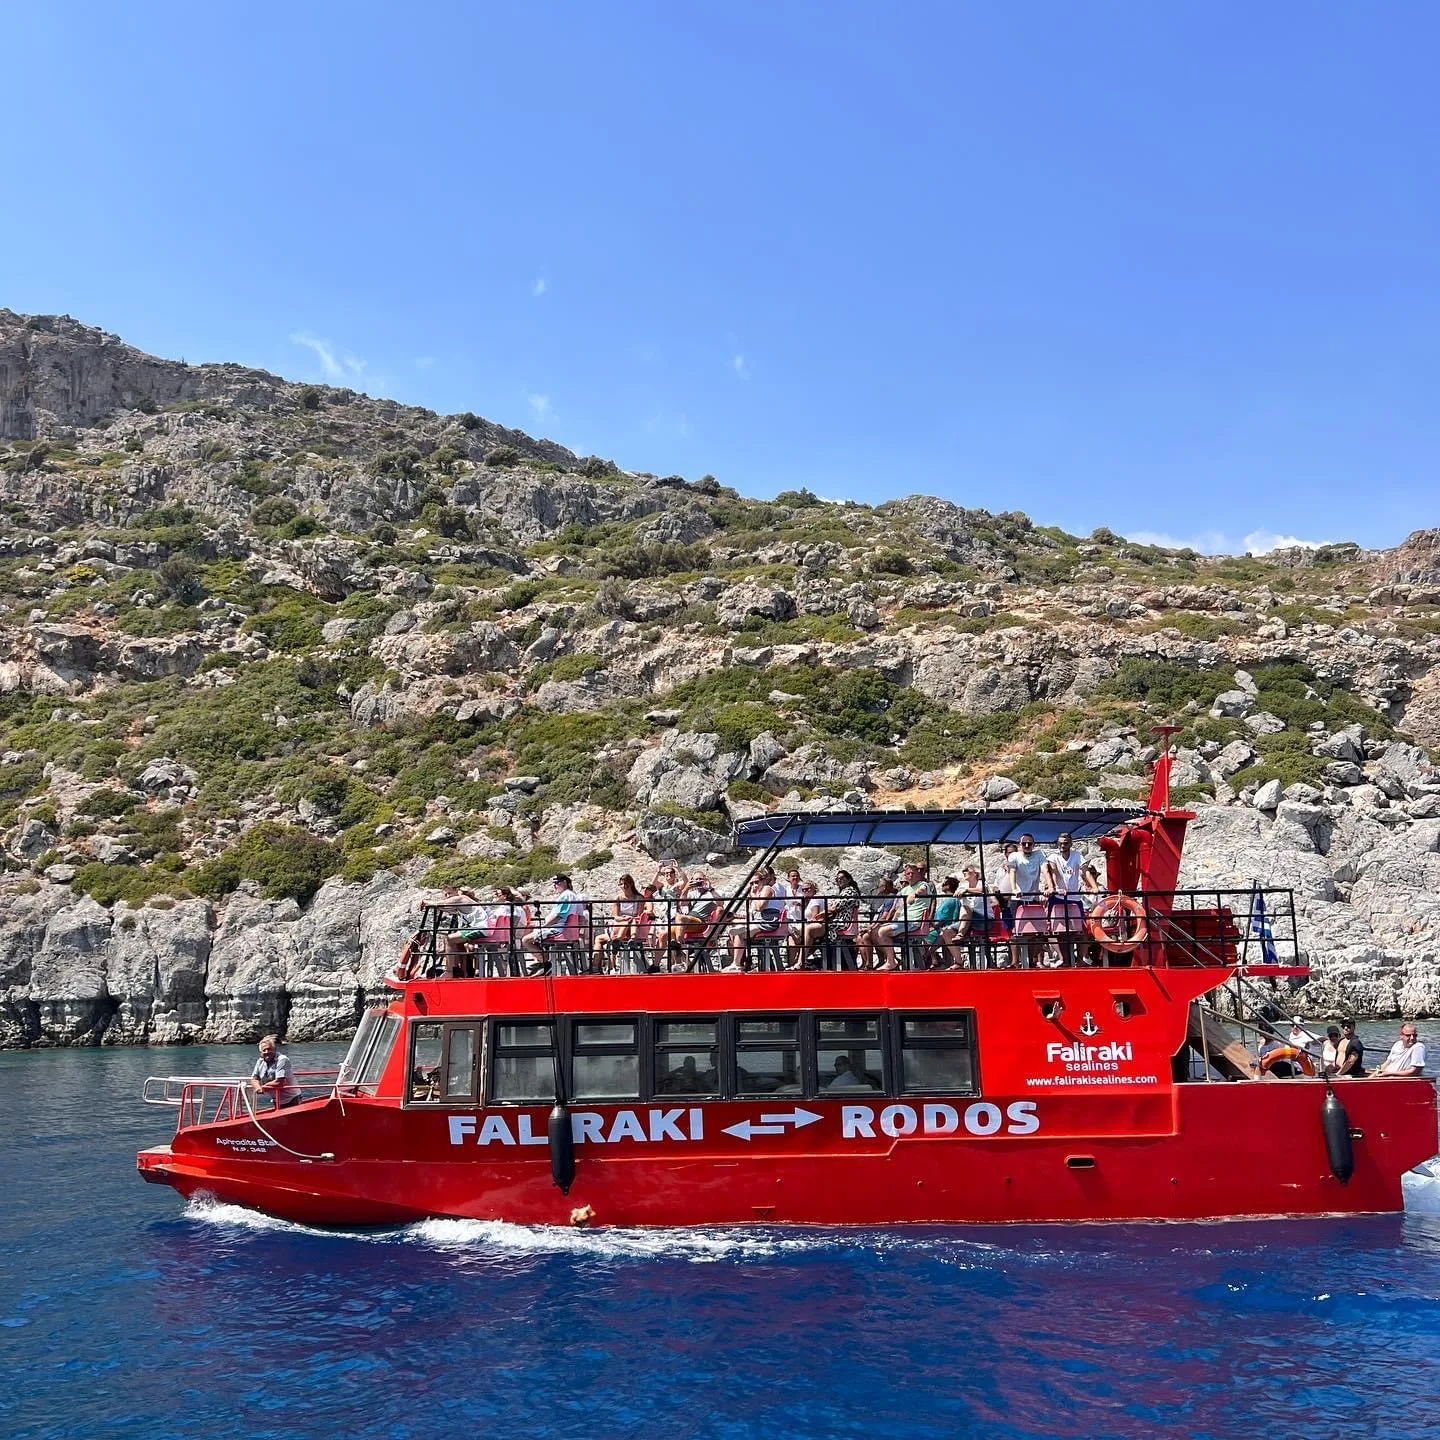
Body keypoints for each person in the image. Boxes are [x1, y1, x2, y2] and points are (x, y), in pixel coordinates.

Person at [875, 861, 936, 971]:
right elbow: (897, 906)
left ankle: (891, 962)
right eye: (908, 873)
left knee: (883, 932)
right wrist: (890, 919)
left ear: (918, 873)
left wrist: (915, 894)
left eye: (913, 873)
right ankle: (891, 960)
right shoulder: (904, 890)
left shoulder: (923, 884)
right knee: (875, 932)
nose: (911, 875)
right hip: (903, 920)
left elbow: (923, 890)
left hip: (913, 921)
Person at [522, 873, 584, 973]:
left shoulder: (566, 896)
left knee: (526, 940)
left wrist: (545, 926)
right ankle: (544, 962)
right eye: (554, 883)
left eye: (557, 883)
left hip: (558, 929)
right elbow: (581, 918)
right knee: (536, 936)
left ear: (565, 882)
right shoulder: (574, 895)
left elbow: (559, 915)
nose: (555, 885)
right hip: (565, 929)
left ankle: (545, 963)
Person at [1006, 834, 1050, 968]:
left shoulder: (1039, 855)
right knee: (1014, 931)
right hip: (1017, 899)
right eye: (1024, 843)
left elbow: (1045, 870)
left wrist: (1050, 886)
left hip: (1033, 898)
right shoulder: (1014, 856)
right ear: (1020, 845)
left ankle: (1034, 959)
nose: (1026, 846)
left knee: (1038, 931)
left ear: (1033, 845)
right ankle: (1015, 962)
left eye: (1029, 843)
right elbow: (1012, 871)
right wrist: (1014, 888)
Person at [1045, 832, 1087, 965]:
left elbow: (1084, 871)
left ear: (1071, 843)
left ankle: (1080, 959)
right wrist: (1055, 886)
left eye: (1065, 843)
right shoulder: (1053, 856)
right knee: (1057, 929)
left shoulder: (1077, 856)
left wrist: (1092, 886)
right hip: (1058, 896)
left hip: (1074, 897)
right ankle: (1064, 959)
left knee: (1082, 929)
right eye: (1060, 843)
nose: (1063, 846)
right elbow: (1053, 870)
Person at [248, 1035, 300, 1110]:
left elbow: (280, 1082)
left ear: (275, 1049)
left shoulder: (282, 1059)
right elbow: (254, 1078)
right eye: (264, 1050)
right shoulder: (260, 1061)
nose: (267, 1052)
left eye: (269, 1049)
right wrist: (258, 1087)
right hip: (276, 1099)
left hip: (291, 1099)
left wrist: (264, 1087)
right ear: (261, 1052)